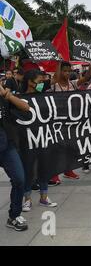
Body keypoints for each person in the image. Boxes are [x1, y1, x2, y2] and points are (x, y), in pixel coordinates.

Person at [48, 61, 91, 185]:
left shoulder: (73, 84)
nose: (67, 73)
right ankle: (54, 174)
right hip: (57, 122)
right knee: (57, 149)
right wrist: (58, 65)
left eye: (69, 71)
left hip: (71, 121)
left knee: (71, 147)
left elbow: (86, 78)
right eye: (65, 71)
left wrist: (90, 68)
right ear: (60, 71)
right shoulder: (54, 85)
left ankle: (68, 170)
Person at [19, 70, 58, 212]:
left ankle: (44, 197)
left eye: (43, 82)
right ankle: (27, 200)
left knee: (44, 168)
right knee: (28, 170)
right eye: (40, 81)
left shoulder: (44, 97)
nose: (42, 84)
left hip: (43, 138)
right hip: (27, 140)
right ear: (30, 82)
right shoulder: (20, 98)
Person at [0, 83, 30, 231]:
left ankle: (14, 216)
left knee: (19, 179)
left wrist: (7, 95)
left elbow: (26, 108)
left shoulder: (4, 95)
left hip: (6, 144)